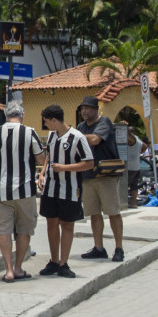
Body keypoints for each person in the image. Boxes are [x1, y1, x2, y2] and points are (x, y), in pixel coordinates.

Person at [0, 101, 46, 282]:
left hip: (1, 190)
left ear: (6, 115)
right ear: (22, 115)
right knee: (24, 230)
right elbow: (40, 159)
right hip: (25, 189)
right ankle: (18, 267)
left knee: (3, 231)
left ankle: (8, 270)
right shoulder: (29, 132)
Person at [37, 104, 94, 279]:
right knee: (51, 223)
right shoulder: (52, 135)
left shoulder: (77, 137)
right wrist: (42, 173)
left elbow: (89, 163)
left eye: (46, 122)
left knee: (67, 225)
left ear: (54, 120)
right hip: (50, 188)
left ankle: (64, 263)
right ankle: (54, 261)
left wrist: (64, 168)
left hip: (69, 188)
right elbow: (49, 156)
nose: (45, 125)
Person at [76, 96, 125, 262]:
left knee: (113, 212)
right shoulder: (81, 126)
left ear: (96, 109)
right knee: (94, 213)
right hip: (88, 175)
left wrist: (74, 136)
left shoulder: (104, 122)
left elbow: (95, 140)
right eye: (82, 108)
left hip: (106, 176)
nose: (84, 111)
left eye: (87, 108)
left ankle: (119, 248)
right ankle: (98, 247)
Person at [126, 128, 143, 208]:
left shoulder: (134, 139)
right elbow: (145, 146)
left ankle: (124, 202)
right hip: (136, 166)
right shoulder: (138, 139)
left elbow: (129, 136)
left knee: (124, 185)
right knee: (134, 185)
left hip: (129, 167)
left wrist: (124, 128)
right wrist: (139, 153)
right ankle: (133, 202)